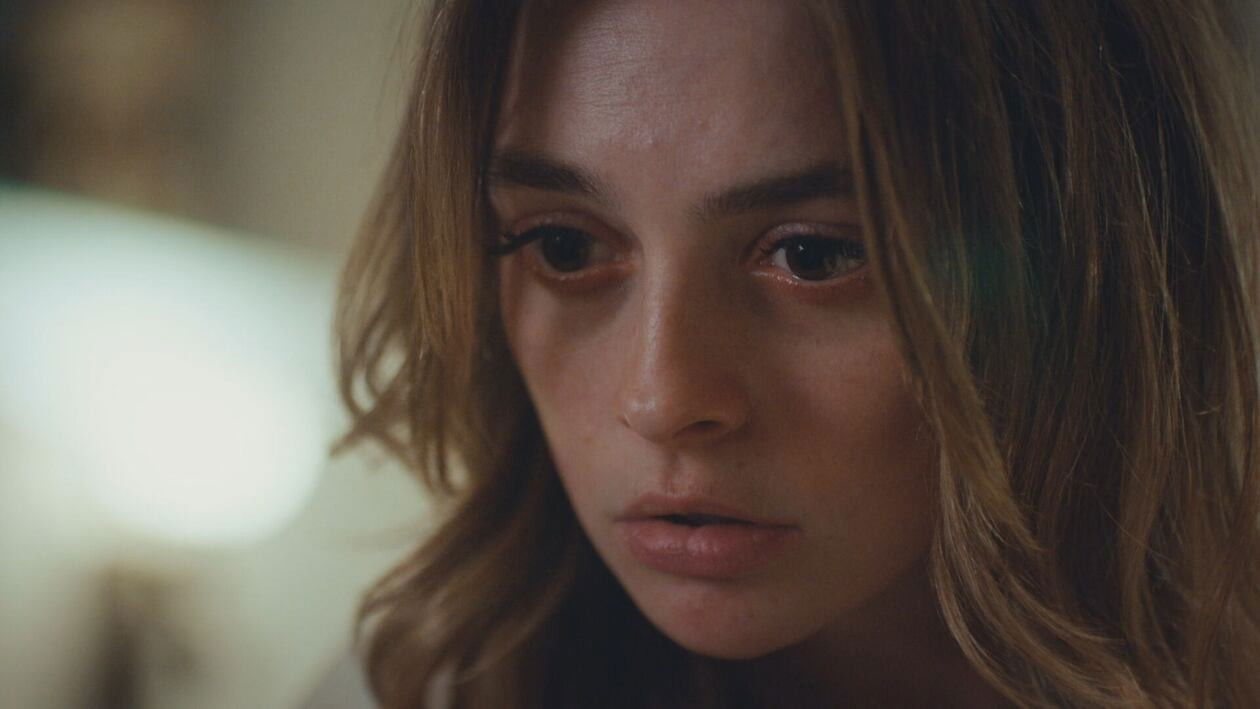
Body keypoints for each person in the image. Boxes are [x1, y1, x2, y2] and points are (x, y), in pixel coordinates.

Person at [334, 0, 1260, 706]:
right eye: (565, 246)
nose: (661, 398)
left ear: (1085, 277)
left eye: (814, 256)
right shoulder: (434, 676)